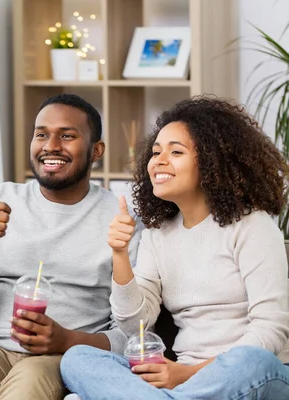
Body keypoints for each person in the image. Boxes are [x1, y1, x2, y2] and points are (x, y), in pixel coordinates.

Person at [60, 96, 289, 399]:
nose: (159, 161)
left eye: (176, 151)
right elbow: (135, 326)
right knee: (78, 359)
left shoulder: (253, 226)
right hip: (183, 380)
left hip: (248, 374)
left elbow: (270, 330)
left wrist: (188, 374)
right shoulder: (158, 235)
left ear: (212, 162)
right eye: (156, 152)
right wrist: (119, 255)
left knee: (252, 361)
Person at [0, 93, 141, 400]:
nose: (51, 146)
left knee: (27, 386)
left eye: (67, 135)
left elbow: (131, 334)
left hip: (64, 356)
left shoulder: (120, 221)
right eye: (41, 135)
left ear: (96, 151)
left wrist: (66, 340)